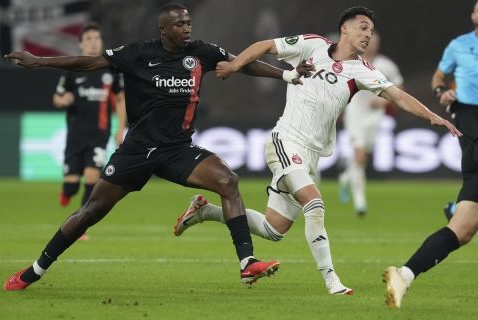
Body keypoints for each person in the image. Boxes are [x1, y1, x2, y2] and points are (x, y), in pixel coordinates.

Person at [2, 3, 309, 291]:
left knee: (227, 181)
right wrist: (40, 61)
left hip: (177, 149)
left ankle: (247, 263)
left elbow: (242, 64)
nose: (187, 28)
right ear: (164, 29)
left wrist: (286, 74)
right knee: (91, 211)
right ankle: (36, 270)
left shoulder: (201, 52)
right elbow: (90, 62)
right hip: (138, 150)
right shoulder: (138, 54)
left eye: (189, 22)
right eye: (180, 24)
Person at [173, 6, 461, 295]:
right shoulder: (313, 45)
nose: (367, 35)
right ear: (345, 29)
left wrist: (432, 115)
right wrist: (235, 66)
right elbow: (266, 45)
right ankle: (331, 280)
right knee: (315, 201)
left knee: (273, 229)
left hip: (311, 154)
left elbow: (397, 95)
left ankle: (204, 211)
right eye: (363, 27)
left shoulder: (363, 71)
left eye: (371, 31)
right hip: (285, 141)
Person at [383, 1, 478, 308]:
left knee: (462, 230)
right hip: (471, 125)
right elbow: (439, 78)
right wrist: (444, 93)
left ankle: (404, 275)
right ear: (473, 15)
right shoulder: (459, 46)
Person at [53, 23, 126, 242]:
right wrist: (62, 100)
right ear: (81, 44)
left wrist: (120, 128)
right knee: (72, 184)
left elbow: (121, 100)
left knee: (93, 176)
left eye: (97, 38)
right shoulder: (72, 69)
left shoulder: (110, 69)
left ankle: (80, 225)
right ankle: (67, 192)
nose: (94, 42)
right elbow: (56, 97)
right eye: (89, 39)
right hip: (75, 135)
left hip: (99, 133)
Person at [338, 31, 404, 216]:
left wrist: (383, 101)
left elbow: (399, 87)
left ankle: (346, 177)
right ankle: (360, 203)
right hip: (355, 113)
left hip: (375, 115)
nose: (370, 44)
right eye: (368, 41)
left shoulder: (386, 65)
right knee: (359, 154)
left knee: (363, 156)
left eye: (374, 42)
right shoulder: (350, 63)